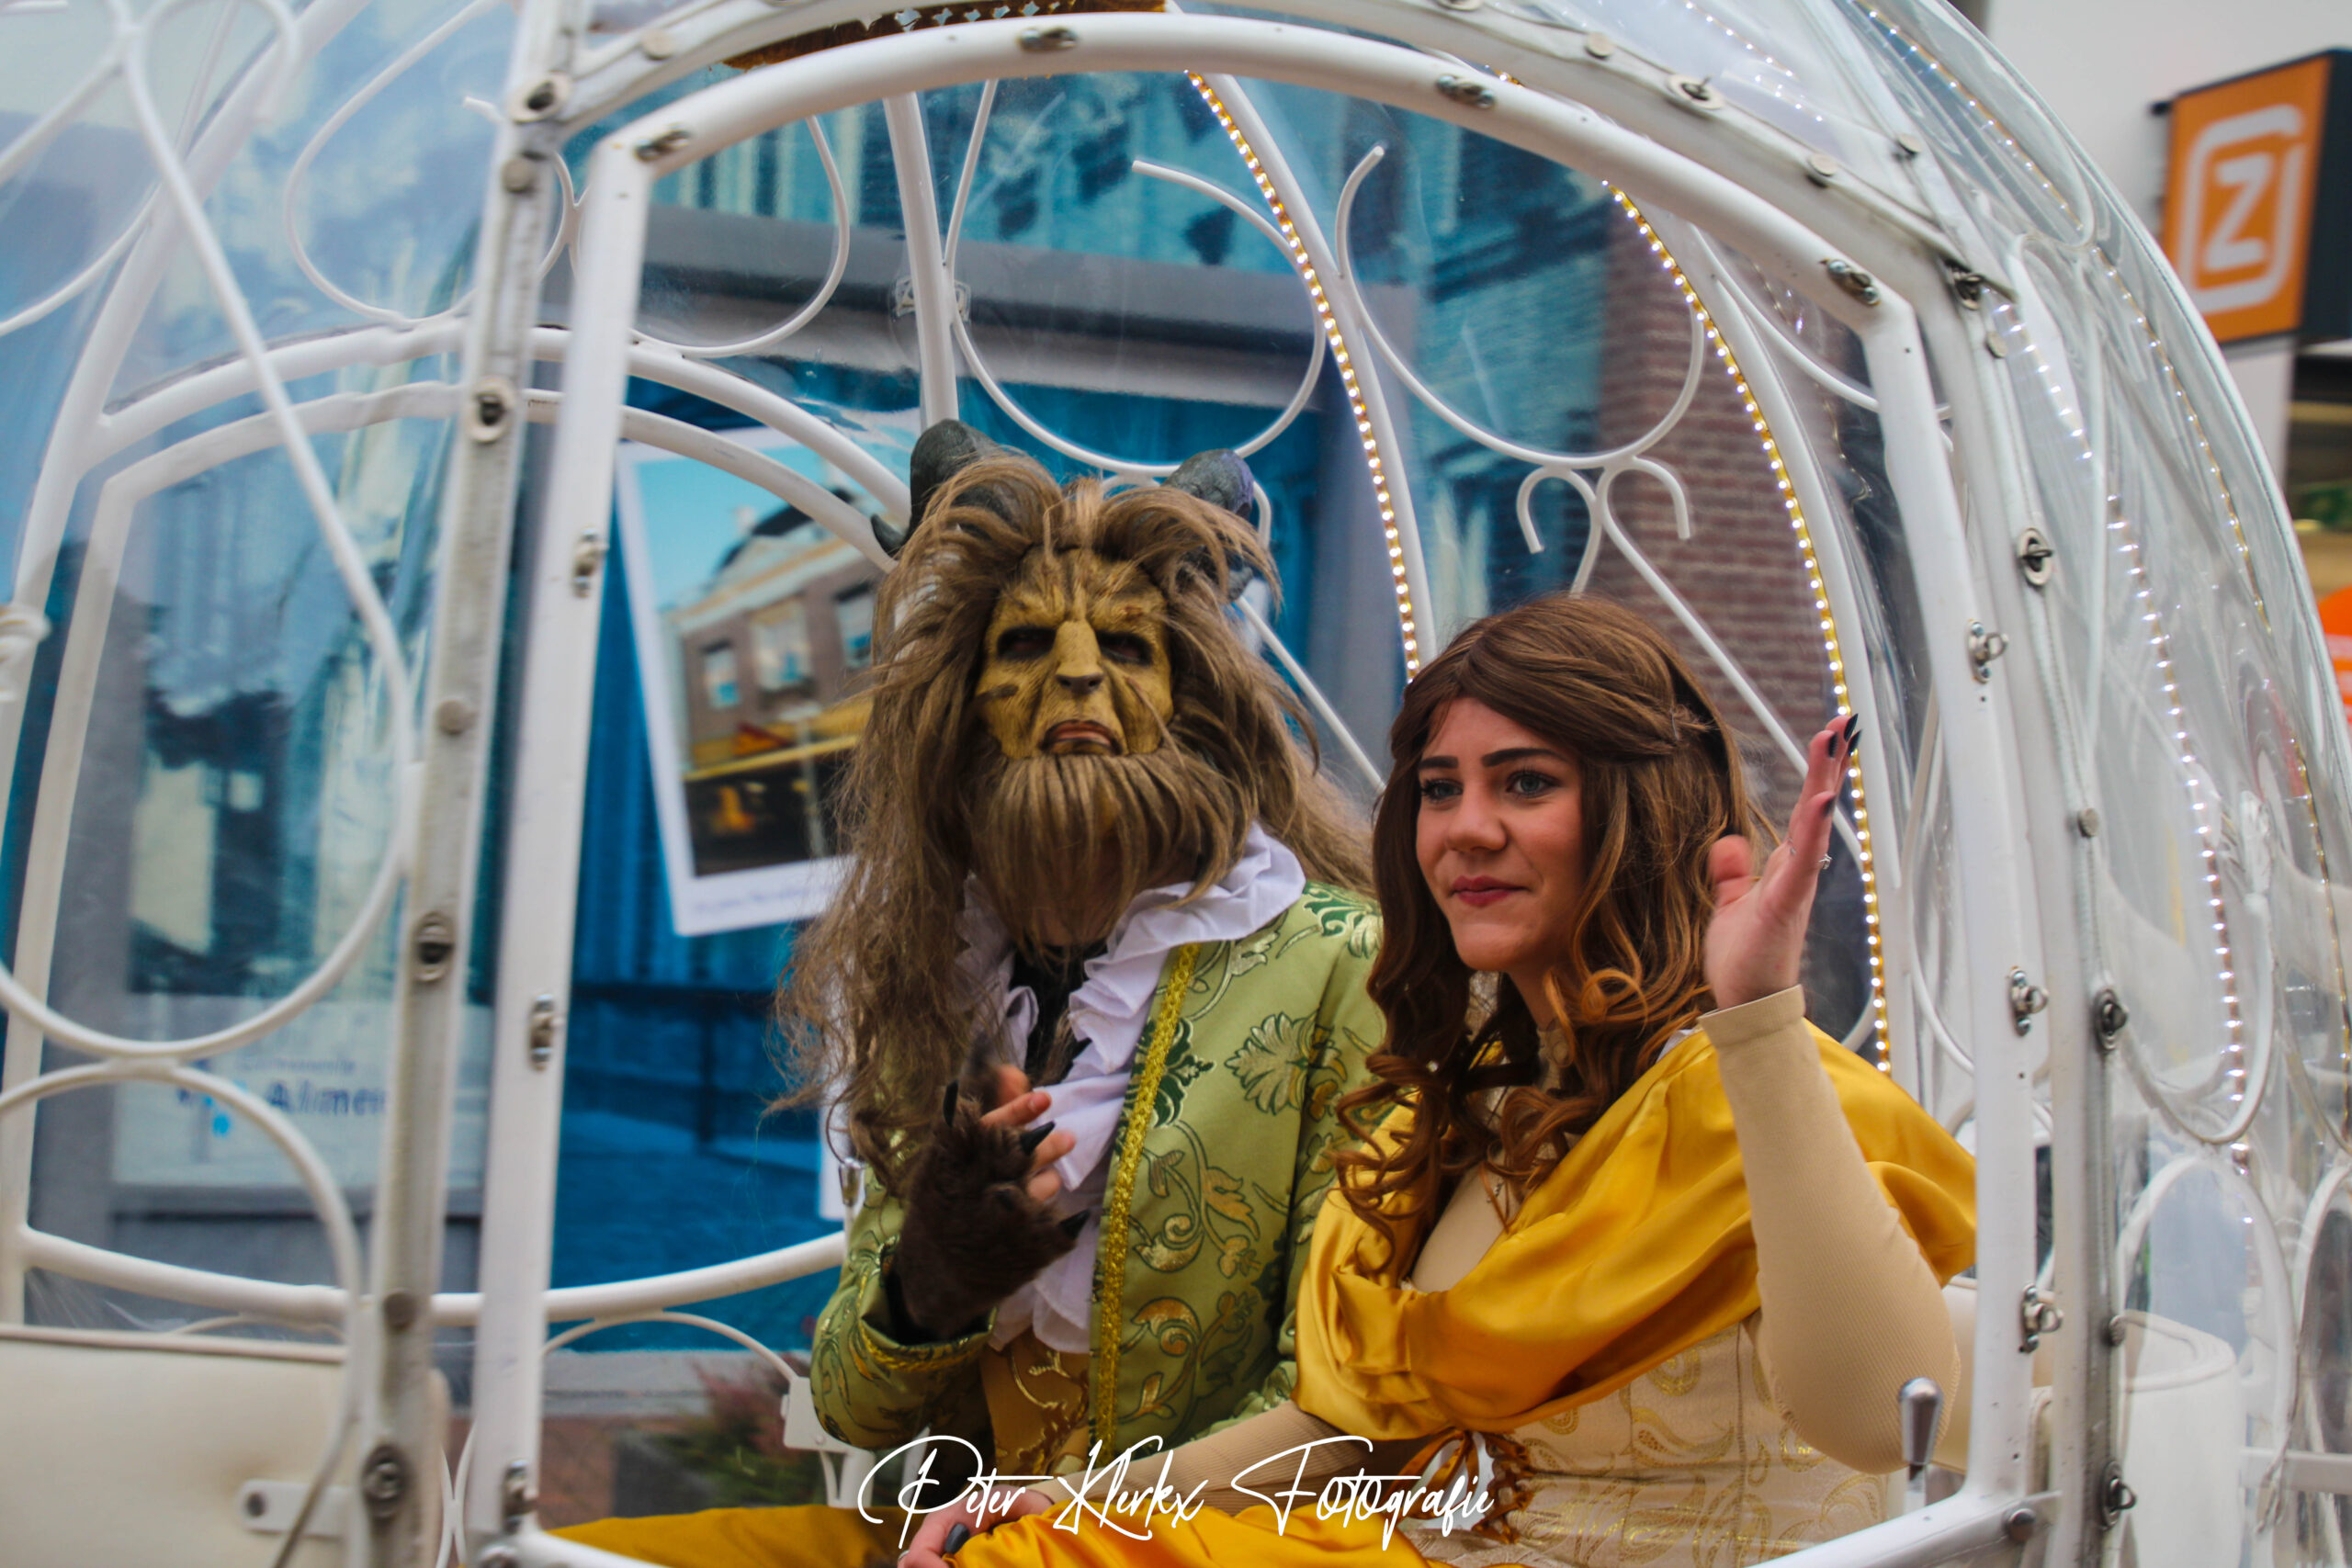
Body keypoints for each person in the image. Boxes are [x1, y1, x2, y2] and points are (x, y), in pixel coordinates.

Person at [899, 593, 1976, 1568]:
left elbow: (1885, 1419)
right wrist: (1064, 1502)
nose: (1466, 829)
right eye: (1438, 789)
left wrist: (1757, 1019)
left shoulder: (1757, 1087)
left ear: (1639, 811)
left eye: (1526, 782)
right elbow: (1346, 1432)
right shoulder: (1446, 1117)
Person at [558, 424, 1384, 1568]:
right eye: (1028, 642)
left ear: (1189, 699)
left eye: (1127, 647)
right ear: (962, 703)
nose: (1078, 674)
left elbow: (1342, 1400)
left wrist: (1072, 1518)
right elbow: (855, 1407)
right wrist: (932, 1280)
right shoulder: (939, 975)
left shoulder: (1337, 961)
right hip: (942, 1539)